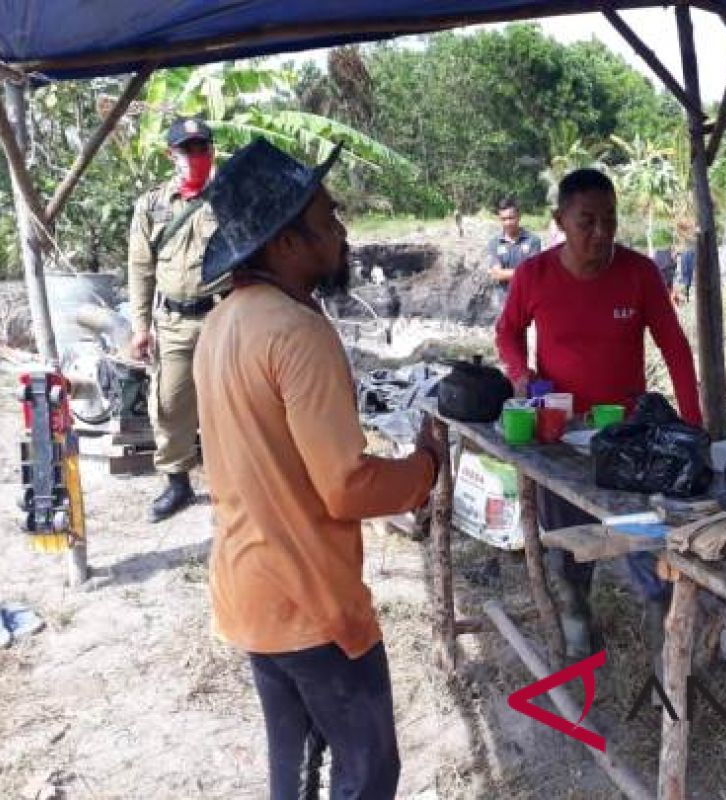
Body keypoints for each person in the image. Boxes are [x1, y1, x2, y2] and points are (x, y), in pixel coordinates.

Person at [193, 138, 439, 799]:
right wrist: (427, 466)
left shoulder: (223, 325)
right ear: (286, 243)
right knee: (368, 769)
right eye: (327, 219)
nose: (342, 232)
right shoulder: (298, 333)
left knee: (293, 768)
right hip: (309, 601)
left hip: (250, 587)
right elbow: (346, 487)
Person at [495, 168, 703, 661]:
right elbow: (506, 332)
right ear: (559, 221)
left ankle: (661, 623)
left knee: (643, 531)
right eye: (586, 221)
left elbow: (674, 347)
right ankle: (575, 612)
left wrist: (694, 424)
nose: (601, 233)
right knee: (566, 534)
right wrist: (520, 371)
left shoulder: (639, 273)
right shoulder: (534, 275)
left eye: (609, 220)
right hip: (558, 431)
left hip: (627, 435)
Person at [127, 116, 221, 522]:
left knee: (230, 404)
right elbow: (140, 268)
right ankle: (177, 484)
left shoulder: (227, 198)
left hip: (223, 316)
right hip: (175, 323)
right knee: (170, 404)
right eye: (187, 150)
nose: (196, 156)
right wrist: (140, 327)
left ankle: (232, 483)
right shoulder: (152, 205)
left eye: (202, 148)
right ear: (172, 155)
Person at [485, 197, 541, 312]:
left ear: (519, 216)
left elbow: (533, 274)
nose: (508, 222)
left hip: (528, 300)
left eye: (511, 218)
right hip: (503, 301)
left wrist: (503, 273)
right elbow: (497, 275)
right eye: (504, 219)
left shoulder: (533, 241)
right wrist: (523, 271)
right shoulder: (494, 242)